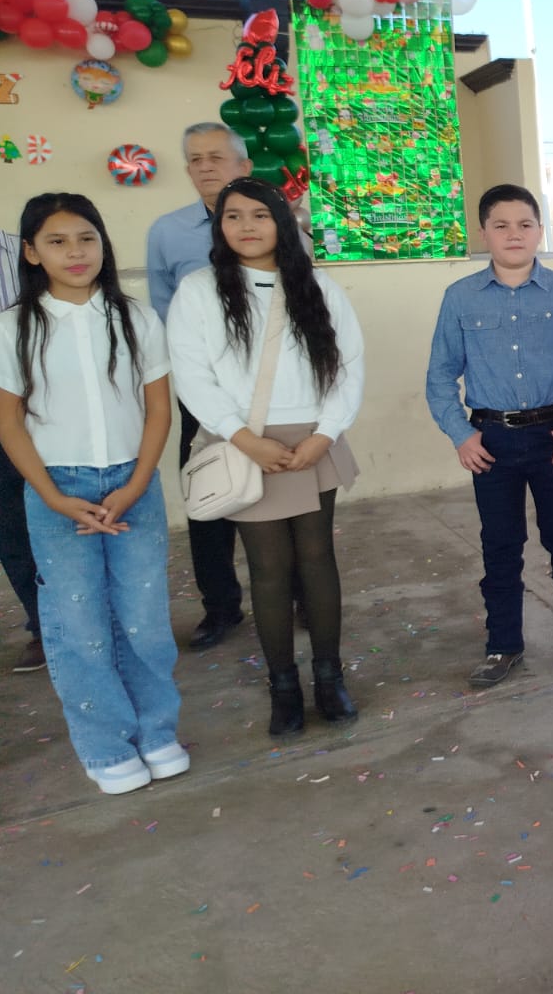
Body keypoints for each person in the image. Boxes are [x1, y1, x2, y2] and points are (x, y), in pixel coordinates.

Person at [0, 193, 187, 795]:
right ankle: (105, 746)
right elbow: (8, 422)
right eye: (56, 242)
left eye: (86, 238)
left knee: (144, 619)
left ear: (103, 244)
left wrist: (135, 485)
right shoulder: (13, 326)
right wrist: (52, 496)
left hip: (133, 483)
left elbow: (158, 410)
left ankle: (157, 731)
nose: (75, 252)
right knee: (77, 624)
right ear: (31, 252)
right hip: (59, 488)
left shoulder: (136, 319)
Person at [166, 178, 365, 739]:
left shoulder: (318, 286)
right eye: (233, 216)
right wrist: (242, 438)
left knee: (318, 558)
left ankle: (329, 677)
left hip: (312, 440)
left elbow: (348, 364)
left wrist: (325, 434)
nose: (247, 226)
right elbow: (192, 374)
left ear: (281, 221)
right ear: (218, 225)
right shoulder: (199, 291)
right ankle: (283, 686)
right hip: (245, 442)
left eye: (260, 214)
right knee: (270, 570)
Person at [426, 184, 553, 687]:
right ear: (483, 232)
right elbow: (440, 376)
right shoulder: (459, 297)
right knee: (500, 547)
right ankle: (502, 646)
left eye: (525, 224)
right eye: (501, 225)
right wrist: (461, 435)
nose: (514, 234)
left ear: (539, 231)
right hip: (491, 442)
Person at [146, 123, 252, 651]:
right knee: (208, 493)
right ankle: (221, 606)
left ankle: (297, 594)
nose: (205, 167)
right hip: (201, 391)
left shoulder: (275, 224)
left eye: (215, 157)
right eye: (194, 159)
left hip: (269, 389)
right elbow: (165, 316)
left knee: (282, 494)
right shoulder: (167, 232)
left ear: (243, 166)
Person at [0, 223, 44, 673]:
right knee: (9, 526)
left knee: (59, 512)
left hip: (37, 410)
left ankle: (87, 615)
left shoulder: (25, 249)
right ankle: (42, 625)